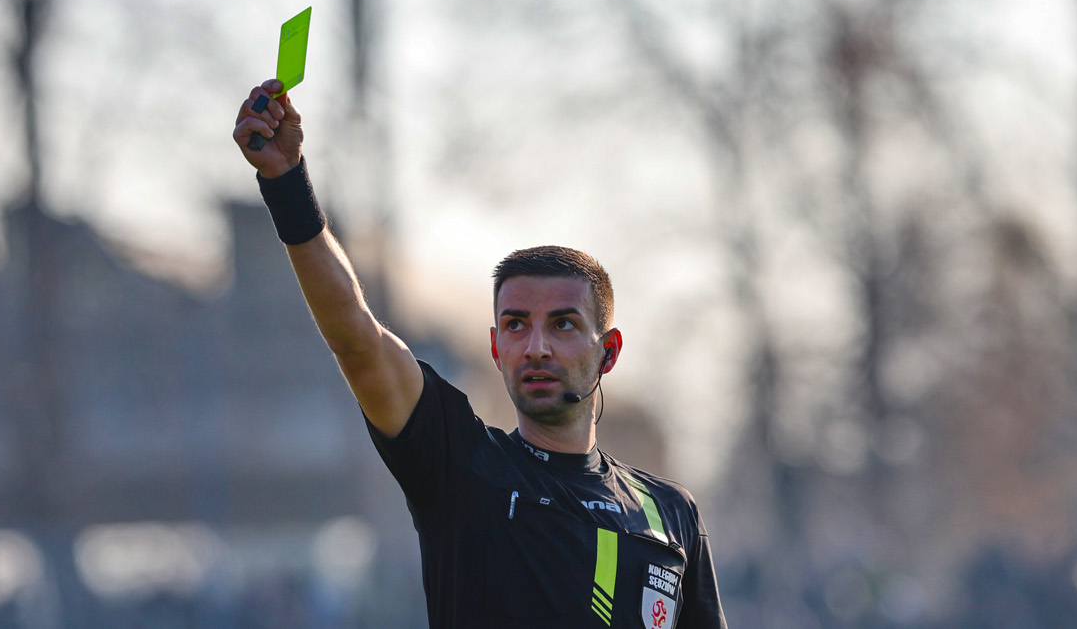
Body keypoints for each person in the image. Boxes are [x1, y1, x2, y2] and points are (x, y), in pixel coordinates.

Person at [233, 79, 728, 628]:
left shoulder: (671, 513)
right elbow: (357, 337)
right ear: (496, 347)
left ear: (608, 351)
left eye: (562, 324)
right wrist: (286, 183)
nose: (536, 347)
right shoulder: (460, 464)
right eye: (516, 325)